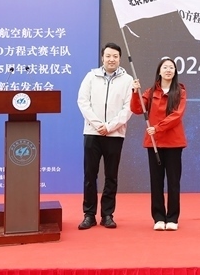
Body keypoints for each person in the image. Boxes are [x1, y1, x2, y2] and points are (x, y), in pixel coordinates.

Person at [76, 42, 133, 230]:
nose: (111, 59)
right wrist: (97, 124)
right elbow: (83, 102)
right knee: (90, 175)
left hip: (115, 134)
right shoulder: (91, 76)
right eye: (108, 56)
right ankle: (89, 215)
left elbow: (128, 108)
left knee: (111, 176)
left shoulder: (128, 80)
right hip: (92, 133)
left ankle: (107, 214)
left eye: (115, 56)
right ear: (102, 57)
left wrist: (109, 126)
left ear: (120, 59)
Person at [131, 58, 187, 231]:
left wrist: (157, 128)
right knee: (156, 181)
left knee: (173, 181)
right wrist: (135, 92)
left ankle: (172, 218)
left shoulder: (180, 92)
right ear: (159, 71)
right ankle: (159, 217)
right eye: (165, 67)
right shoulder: (150, 92)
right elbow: (137, 109)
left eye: (171, 67)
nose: (168, 70)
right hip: (154, 143)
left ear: (175, 72)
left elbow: (177, 115)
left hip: (173, 142)